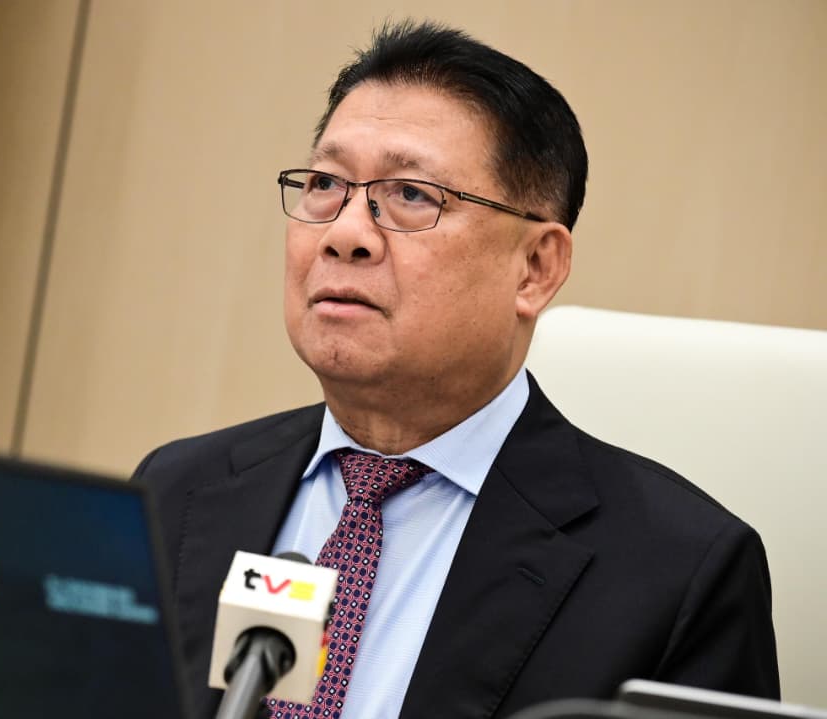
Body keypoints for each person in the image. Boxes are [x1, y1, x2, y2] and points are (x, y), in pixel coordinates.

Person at [134, 19, 778, 719]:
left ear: (535, 267)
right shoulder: (175, 490)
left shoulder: (680, 572)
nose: (345, 233)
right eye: (325, 183)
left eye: (412, 195)